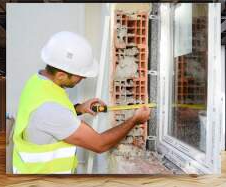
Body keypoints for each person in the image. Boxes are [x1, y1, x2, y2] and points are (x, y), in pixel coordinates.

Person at [12, 31, 150, 174]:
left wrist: (79, 108)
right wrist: (134, 120)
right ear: (61, 75)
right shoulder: (51, 110)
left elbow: (48, 114)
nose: (83, 78)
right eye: (80, 75)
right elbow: (100, 144)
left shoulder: (37, 81)